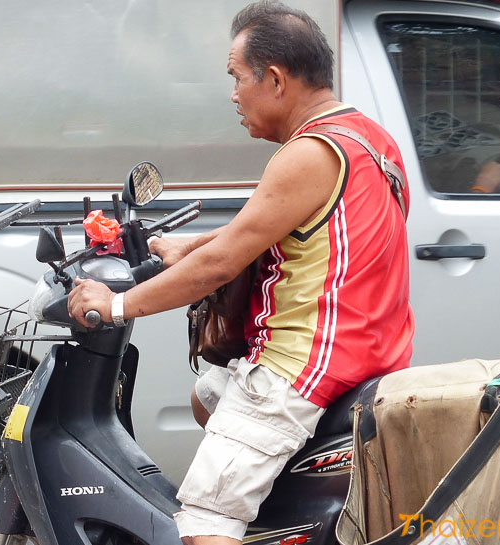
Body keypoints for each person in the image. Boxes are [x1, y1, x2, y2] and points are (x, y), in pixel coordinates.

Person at [68, 1, 414, 543]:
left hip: (302, 368)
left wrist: (113, 305)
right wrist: (182, 245)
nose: (233, 95)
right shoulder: (366, 138)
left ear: (275, 80)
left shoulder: (309, 154)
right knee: (207, 397)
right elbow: (267, 230)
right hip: (369, 352)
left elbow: (223, 262)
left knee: (203, 521)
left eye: (236, 78)